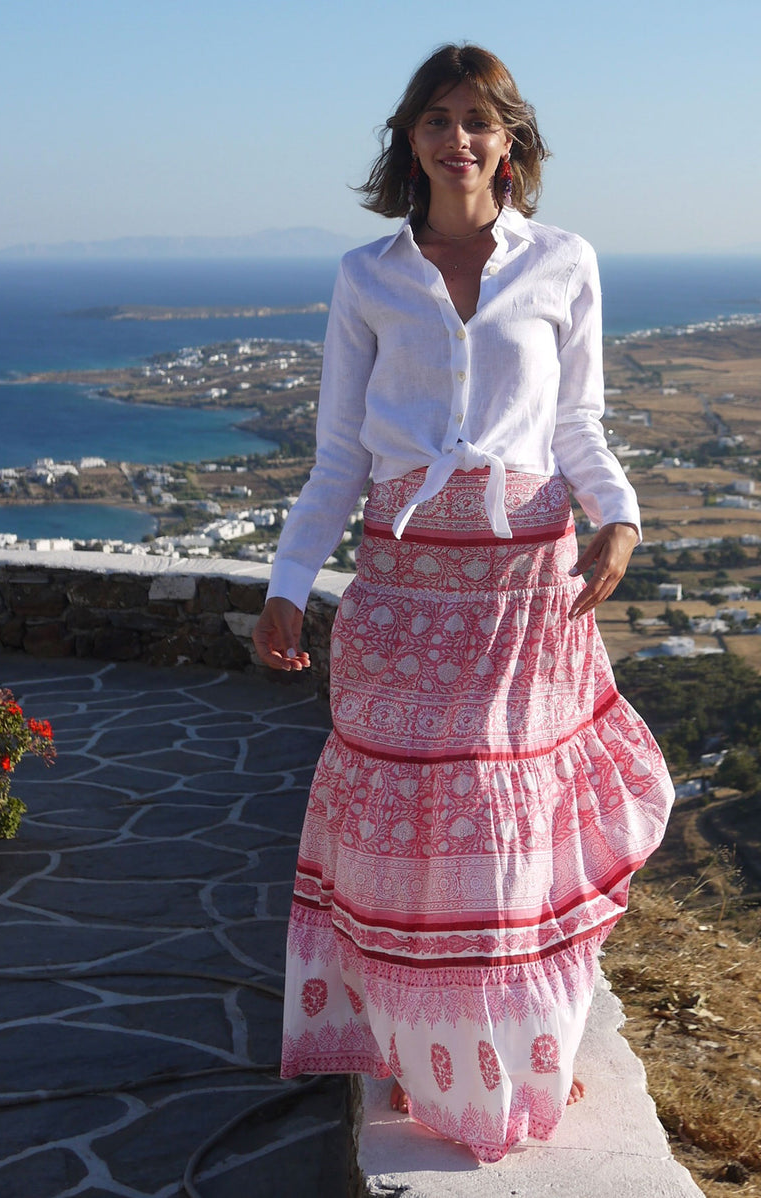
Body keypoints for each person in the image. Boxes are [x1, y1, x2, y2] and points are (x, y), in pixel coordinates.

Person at [252, 43, 674, 1163]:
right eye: (435, 119)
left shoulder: (563, 261)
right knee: (411, 838)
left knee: (497, 828)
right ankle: (417, 1049)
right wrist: (288, 586)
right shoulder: (366, 273)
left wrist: (617, 516)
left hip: (520, 590)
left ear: (508, 139)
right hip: (399, 587)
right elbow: (337, 454)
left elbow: (578, 422)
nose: (457, 138)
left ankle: (505, 1063)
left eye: (477, 120)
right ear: (409, 139)